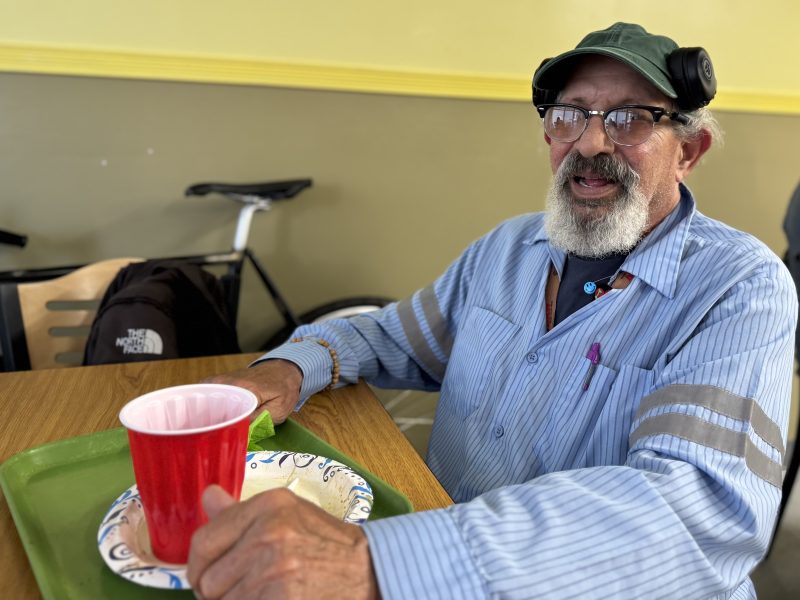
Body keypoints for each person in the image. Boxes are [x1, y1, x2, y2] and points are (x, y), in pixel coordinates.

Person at [188, 23, 797, 599]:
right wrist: (291, 368)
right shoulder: (507, 249)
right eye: (569, 116)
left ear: (689, 151)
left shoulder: (739, 287)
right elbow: (387, 337)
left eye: (630, 118)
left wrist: (377, 563)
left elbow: (692, 514)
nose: (589, 142)